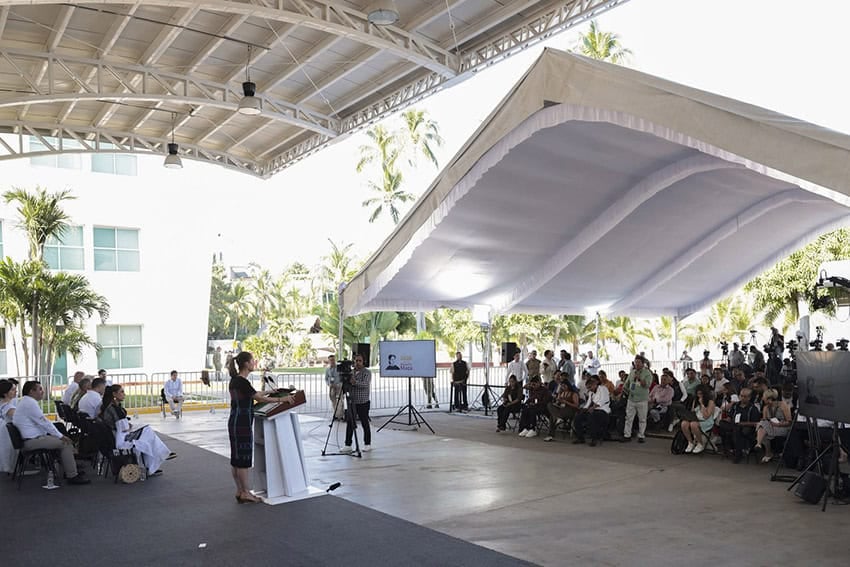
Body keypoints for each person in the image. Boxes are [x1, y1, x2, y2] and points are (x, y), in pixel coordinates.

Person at [228, 350, 293, 503]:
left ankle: (239, 490)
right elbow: (257, 397)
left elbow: (252, 393)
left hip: (234, 422)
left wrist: (271, 391)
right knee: (243, 460)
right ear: (246, 363)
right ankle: (245, 492)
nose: (254, 363)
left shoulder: (235, 380)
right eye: (252, 361)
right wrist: (282, 400)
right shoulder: (243, 382)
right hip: (243, 423)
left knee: (235, 459)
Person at [12, 381, 90, 484]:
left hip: (31, 439)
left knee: (60, 439)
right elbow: (44, 422)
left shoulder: (25, 402)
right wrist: (60, 436)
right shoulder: (29, 403)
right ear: (31, 391)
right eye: (40, 389)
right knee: (65, 443)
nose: (42, 391)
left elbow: (43, 423)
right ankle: (72, 475)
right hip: (31, 441)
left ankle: (71, 467)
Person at [100, 385, 176, 475]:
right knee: (147, 431)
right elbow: (124, 428)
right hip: (121, 440)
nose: (124, 394)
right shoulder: (114, 409)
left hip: (119, 435)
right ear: (114, 394)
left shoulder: (113, 407)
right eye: (122, 392)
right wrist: (130, 427)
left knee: (147, 437)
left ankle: (156, 462)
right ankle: (158, 459)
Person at [717, 388, 761, 463]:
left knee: (737, 429)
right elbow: (730, 417)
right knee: (722, 424)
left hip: (746, 428)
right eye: (741, 396)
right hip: (734, 424)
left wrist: (742, 423)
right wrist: (727, 419)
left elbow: (755, 423)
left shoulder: (753, 408)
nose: (742, 398)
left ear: (749, 397)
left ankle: (738, 453)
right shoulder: (735, 405)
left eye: (745, 396)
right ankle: (727, 449)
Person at [342, 353, 372, 453]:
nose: (357, 363)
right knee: (350, 423)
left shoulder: (367, 372)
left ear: (363, 362)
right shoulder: (351, 372)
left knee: (364, 423)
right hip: (352, 401)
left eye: (359, 361)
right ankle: (348, 444)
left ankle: (367, 444)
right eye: (356, 361)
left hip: (363, 402)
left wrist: (354, 382)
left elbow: (365, 384)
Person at [754, 389, 792, 463]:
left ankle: (762, 448)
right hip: (771, 427)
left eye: (763, 397)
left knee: (762, 427)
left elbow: (789, 422)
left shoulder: (783, 405)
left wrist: (778, 424)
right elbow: (765, 421)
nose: (762, 398)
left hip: (783, 427)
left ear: (769, 399)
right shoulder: (765, 408)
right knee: (762, 427)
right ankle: (761, 447)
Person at [572, 376, 610, 446]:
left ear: (594, 385)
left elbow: (603, 401)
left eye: (590, 387)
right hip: (593, 410)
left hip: (603, 411)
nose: (589, 389)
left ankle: (594, 439)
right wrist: (583, 409)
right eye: (588, 388)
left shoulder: (603, 389)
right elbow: (588, 403)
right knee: (578, 417)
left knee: (592, 417)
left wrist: (593, 407)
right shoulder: (591, 393)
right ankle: (580, 438)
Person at [623, 355, 652, 443]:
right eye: (636, 362)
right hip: (631, 398)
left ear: (643, 364)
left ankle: (641, 435)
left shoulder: (647, 373)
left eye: (639, 362)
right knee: (628, 418)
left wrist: (639, 378)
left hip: (642, 399)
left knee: (642, 419)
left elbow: (647, 385)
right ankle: (627, 435)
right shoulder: (632, 372)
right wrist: (625, 389)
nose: (637, 364)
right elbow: (627, 383)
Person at [679, 384, 716, 454]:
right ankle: (690, 442)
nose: (699, 395)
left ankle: (700, 443)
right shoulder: (695, 400)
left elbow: (706, 416)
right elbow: (693, 411)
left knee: (693, 425)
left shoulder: (710, 402)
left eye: (701, 394)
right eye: (698, 394)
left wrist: (702, 405)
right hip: (696, 418)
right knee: (684, 423)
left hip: (706, 421)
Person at [0, 380, 18, 474]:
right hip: (8, 433)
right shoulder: (9, 407)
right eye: (12, 390)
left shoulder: (4, 404)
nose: (15, 391)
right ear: (5, 393)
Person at [325, 355, 345, 419]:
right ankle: (336, 415)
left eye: (333, 360)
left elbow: (342, 377)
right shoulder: (327, 369)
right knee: (333, 401)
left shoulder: (339, 367)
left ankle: (341, 415)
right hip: (332, 387)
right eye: (331, 360)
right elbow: (326, 378)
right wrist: (329, 384)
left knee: (340, 401)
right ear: (328, 361)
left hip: (339, 386)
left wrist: (339, 384)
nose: (332, 361)